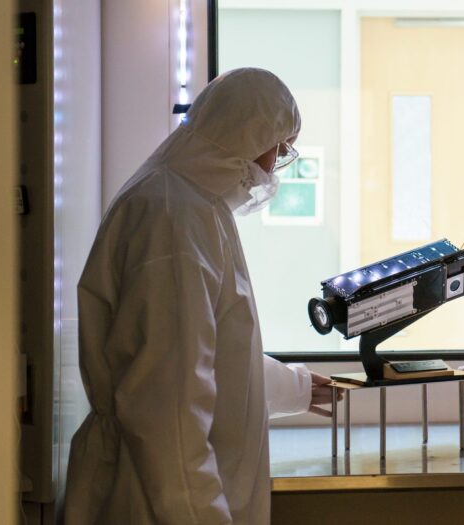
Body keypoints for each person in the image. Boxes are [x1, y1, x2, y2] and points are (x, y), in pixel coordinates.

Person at [63, 68, 337, 524]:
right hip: (157, 501)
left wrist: (299, 387)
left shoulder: (191, 205)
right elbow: (167, 416)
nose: (274, 166)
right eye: (279, 148)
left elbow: (213, 361)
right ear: (248, 138)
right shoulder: (173, 220)